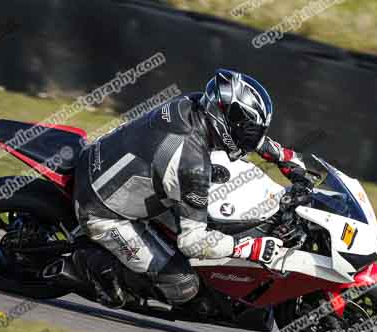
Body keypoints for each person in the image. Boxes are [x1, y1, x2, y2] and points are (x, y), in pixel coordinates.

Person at [72, 69, 310, 308]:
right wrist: (249, 248)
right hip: (102, 212)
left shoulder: (194, 103)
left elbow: (243, 136)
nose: (250, 139)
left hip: (110, 164)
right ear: (225, 121)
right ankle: (89, 266)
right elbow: (193, 242)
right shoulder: (191, 163)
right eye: (246, 130)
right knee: (183, 285)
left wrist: (284, 158)